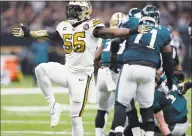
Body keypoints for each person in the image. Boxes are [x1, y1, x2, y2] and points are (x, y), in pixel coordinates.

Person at [12, 1, 148, 135]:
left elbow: (110, 33)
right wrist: (30, 33)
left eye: (75, 9)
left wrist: (132, 31)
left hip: (82, 77)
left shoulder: (91, 25)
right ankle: (53, 105)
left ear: (85, 11)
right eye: (70, 9)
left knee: (75, 118)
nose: (71, 12)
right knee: (40, 69)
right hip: (67, 70)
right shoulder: (64, 25)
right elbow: (52, 35)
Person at [110, 5, 173, 136]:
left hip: (130, 66)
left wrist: (114, 60)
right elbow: (168, 60)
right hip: (149, 70)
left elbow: (115, 42)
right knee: (147, 108)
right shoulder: (164, 31)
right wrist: (170, 80)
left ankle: (118, 133)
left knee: (121, 104)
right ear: (157, 18)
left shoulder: (133, 23)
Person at [94, 12, 127, 136]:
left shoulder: (105, 37)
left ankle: (99, 134)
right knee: (123, 106)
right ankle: (115, 132)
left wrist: (102, 69)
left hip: (103, 71)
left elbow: (96, 58)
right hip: (117, 71)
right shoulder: (126, 35)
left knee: (102, 109)